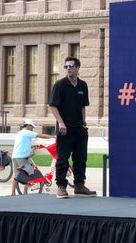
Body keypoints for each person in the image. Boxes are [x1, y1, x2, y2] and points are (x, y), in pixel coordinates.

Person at [49, 56, 97, 199]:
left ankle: (79, 186)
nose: (68, 69)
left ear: (77, 68)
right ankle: (61, 187)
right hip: (65, 129)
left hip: (79, 128)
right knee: (63, 158)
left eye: (71, 66)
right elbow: (52, 106)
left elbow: (83, 106)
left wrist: (83, 121)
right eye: (66, 67)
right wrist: (61, 123)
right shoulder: (60, 85)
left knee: (81, 158)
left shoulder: (83, 85)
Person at [11, 119, 56, 195]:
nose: (32, 129)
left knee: (16, 175)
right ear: (28, 126)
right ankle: (26, 190)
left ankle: (13, 193)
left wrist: (31, 146)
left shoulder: (20, 133)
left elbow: (22, 144)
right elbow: (42, 136)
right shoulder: (27, 132)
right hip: (22, 157)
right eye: (32, 127)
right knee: (29, 172)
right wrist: (53, 137)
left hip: (15, 156)